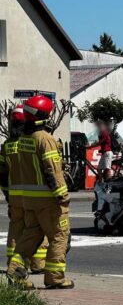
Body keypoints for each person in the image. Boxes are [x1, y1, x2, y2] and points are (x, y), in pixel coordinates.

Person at [6, 95, 73, 289]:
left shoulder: (24, 140)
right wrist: (63, 196)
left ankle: (14, 274)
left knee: (30, 238)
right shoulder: (45, 139)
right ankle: (55, 278)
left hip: (29, 202)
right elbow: (53, 171)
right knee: (59, 236)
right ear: (44, 115)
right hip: (49, 202)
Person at [0, 105, 48, 273]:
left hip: (14, 196)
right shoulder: (29, 142)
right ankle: (38, 263)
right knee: (35, 230)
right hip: (34, 195)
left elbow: (2, 173)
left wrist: (6, 193)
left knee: (15, 230)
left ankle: (12, 264)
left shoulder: (6, 145)